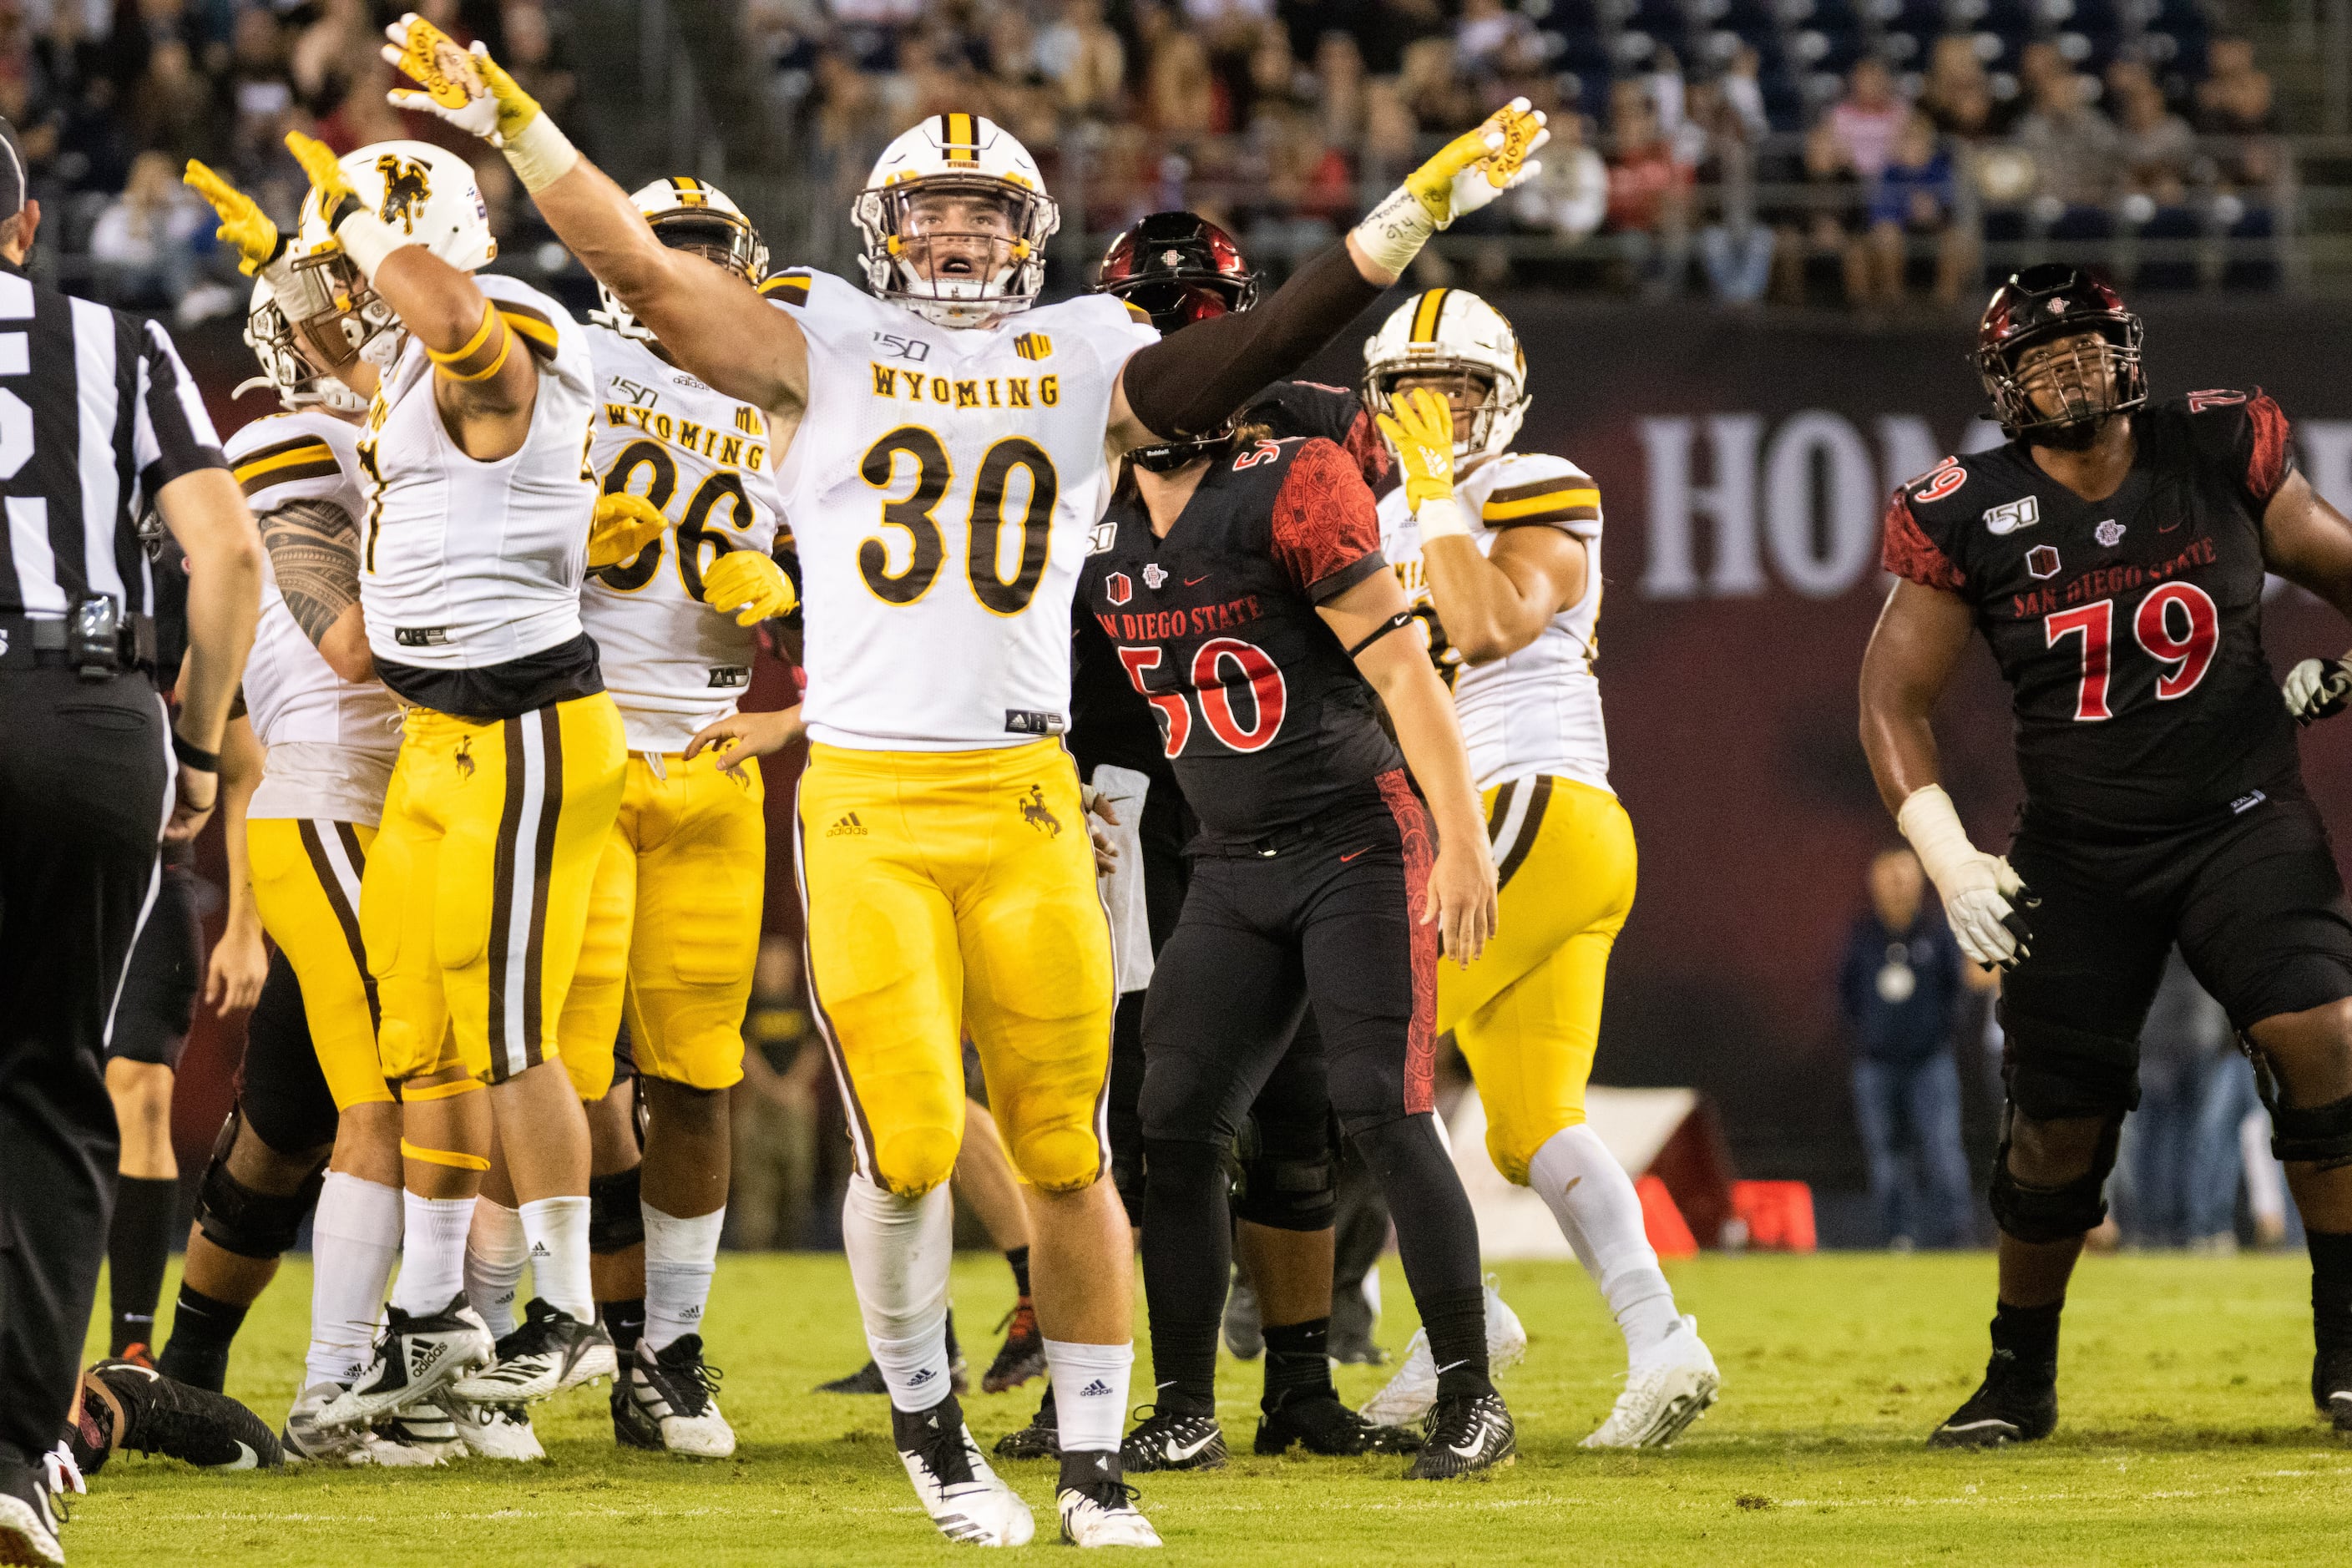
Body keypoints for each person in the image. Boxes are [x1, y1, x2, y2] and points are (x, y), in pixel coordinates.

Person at [406, 8, 1545, 1540]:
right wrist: (521, 128)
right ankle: (936, 1434)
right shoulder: (816, 334)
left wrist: (1405, 217)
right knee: (912, 1146)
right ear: (885, 230)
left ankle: (1089, 1464)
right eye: (929, 210)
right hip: (870, 799)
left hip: (1022, 801)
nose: (953, 233)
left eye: (983, 210)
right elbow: (640, 270)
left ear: (1029, 232)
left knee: (1076, 1153)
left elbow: (1257, 348)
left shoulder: (1086, 348)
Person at [1860, 263, 2352, 1445]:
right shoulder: (1961, 506)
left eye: (2084, 346)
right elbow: (1890, 701)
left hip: (2242, 815)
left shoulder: (2217, 445)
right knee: (2054, 1122)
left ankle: (2347, 1346)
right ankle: (2016, 1372)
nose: (2068, 371)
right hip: (2080, 849)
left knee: (2322, 1033)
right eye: (2039, 357)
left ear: (2128, 351)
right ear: (2002, 385)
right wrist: (1950, 855)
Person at [257, 130, 670, 1440]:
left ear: (419, 241)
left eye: (362, 259)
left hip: (524, 724)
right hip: (435, 738)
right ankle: (429, 1317)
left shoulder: (516, 324)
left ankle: (564, 1317)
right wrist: (330, 308)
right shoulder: (391, 375)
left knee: (507, 1036)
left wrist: (365, 223)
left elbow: (460, 332)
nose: (349, 292)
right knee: (427, 1038)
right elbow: (400, 354)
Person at [1079, 280, 1509, 1480]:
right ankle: (1181, 1405)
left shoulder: (1294, 477)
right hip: (1224, 858)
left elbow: (1405, 670)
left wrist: (1461, 836)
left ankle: (1471, 1393)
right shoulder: (1082, 501)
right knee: (1173, 1125)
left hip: (1350, 838)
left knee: (1379, 1103)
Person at [1358, 286, 1718, 1448]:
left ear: (1503, 399)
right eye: (1414, 391)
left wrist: (1424, 491)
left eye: (1458, 389)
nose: (1437, 412)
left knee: (1360, 1061)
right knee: (1527, 1127)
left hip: (1535, 808)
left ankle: (1457, 1320)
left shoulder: (1534, 484)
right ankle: (1662, 1335)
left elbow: (1493, 624)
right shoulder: (1370, 517)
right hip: (1526, 835)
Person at [0, 123, 268, 1565]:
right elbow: (224, 554)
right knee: (47, 1079)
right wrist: (206, 741)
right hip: (82, 707)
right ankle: (14, 1453)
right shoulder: (119, 345)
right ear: (28, 230)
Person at [525, 173, 798, 1463]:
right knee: (557, 1069)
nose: (681, 272)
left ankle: (670, 1348)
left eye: (703, 251)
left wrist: (785, 609)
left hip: (705, 754)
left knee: (696, 1077)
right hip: (571, 737)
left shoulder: (789, 397)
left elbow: (869, 616)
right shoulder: (566, 356)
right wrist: (559, 536)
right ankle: (552, 1313)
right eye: (661, 249)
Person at [1839, 847, 1972, 1249]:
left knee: (1942, 1148)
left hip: (1930, 1062)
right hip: (1876, 1066)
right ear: (1873, 884)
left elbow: (1957, 989)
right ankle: (1899, 1237)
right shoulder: (1861, 937)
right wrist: (1870, 1036)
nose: (1897, 885)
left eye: (1904, 876)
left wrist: (1934, 1033)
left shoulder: (1936, 933)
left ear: (1919, 883)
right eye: (1889, 877)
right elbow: (1845, 994)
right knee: (1886, 1156)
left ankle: (1956, 1236)